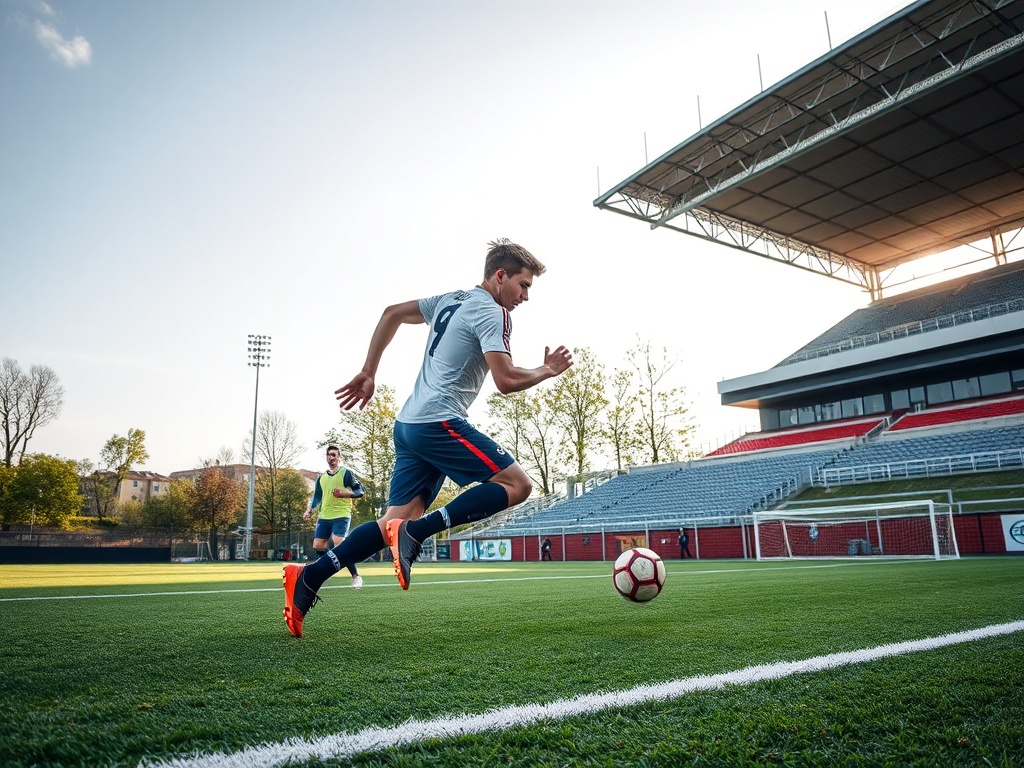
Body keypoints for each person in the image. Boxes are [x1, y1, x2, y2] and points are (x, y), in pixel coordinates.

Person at [282, 238, 573, 637]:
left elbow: (391, 314)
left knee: (392, 521)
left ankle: (309, 577)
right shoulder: (494, 312)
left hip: (410, 424)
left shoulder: (449, 299)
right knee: (518, 485)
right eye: (523, 285)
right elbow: (506, 380)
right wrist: (547, 370)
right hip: (438, 421)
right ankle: (416, 534)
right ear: (500, 276)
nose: (525, 296)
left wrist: (369, 370)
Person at [305, 444, 365, 589]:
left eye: (334, 455)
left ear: (339, 458)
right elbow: (317, 497)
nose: (331, 457)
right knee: (318, 545)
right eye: (329, 455)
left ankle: (356, 576)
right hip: (325, 515)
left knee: (339, 542)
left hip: (342, 513)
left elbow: (360, 491)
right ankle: (330, 566)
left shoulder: (345, 473)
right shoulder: (321, 478)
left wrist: (345, 494)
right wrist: (309, 510)